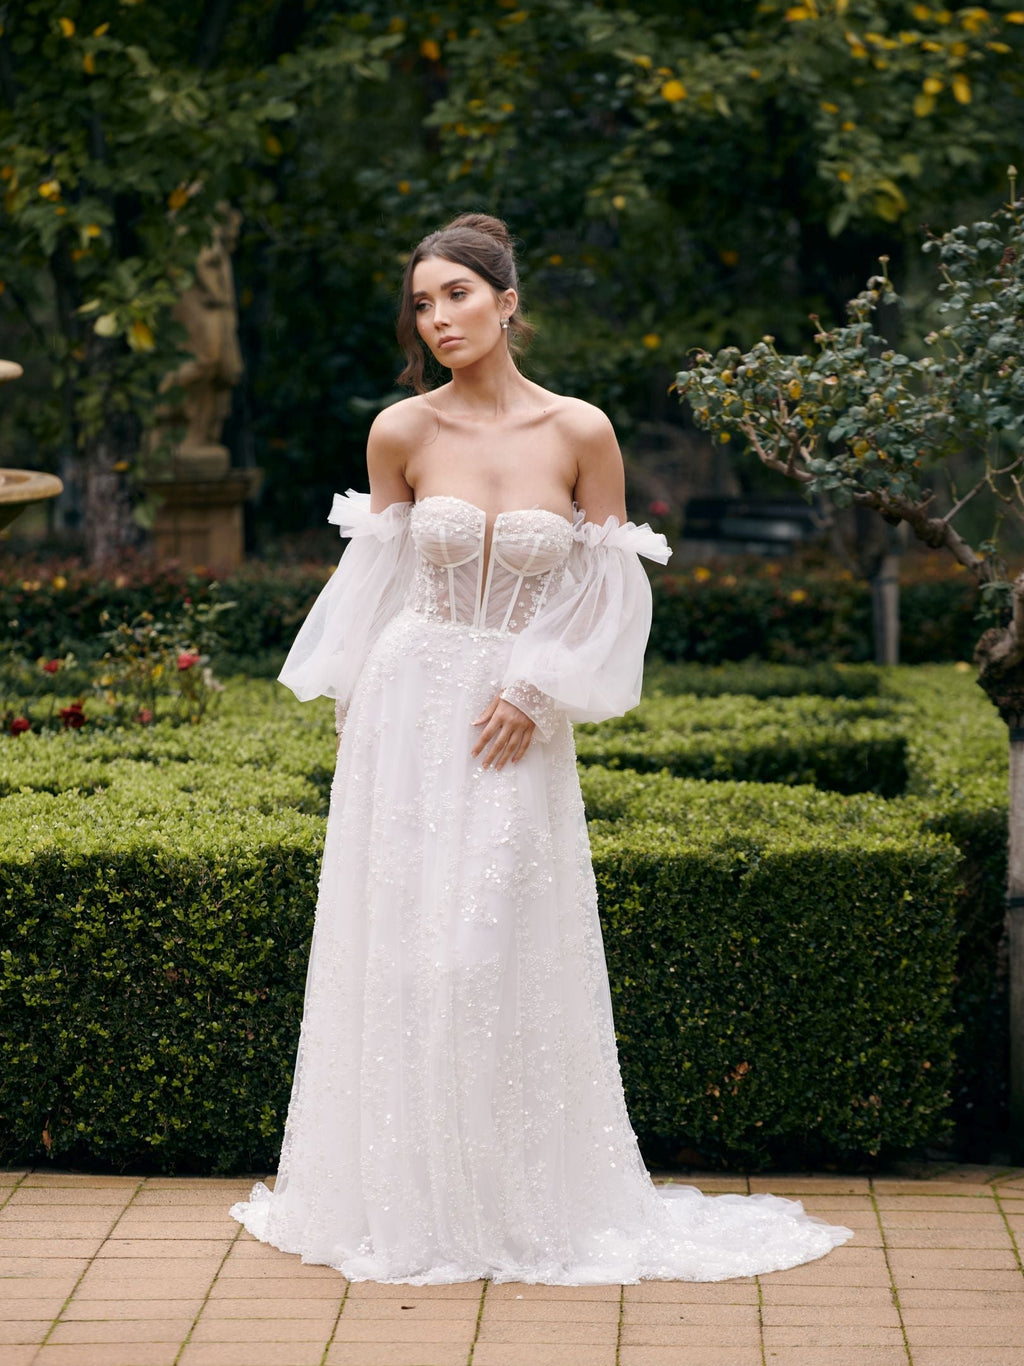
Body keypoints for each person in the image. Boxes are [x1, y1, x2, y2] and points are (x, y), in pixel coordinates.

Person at [230, 214, 852, 1283]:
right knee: (408, 956)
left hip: (516, 723)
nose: (438, 320)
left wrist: (537, 685)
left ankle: (516, 1201)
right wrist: (354, 728)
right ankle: (408, 1204)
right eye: (422, 304)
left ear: (507, 301)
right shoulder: (399, 431)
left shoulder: (580, 432)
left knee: (488, 952)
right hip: (407, 714)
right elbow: (374, 587)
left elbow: (609, 589)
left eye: (456, 297)